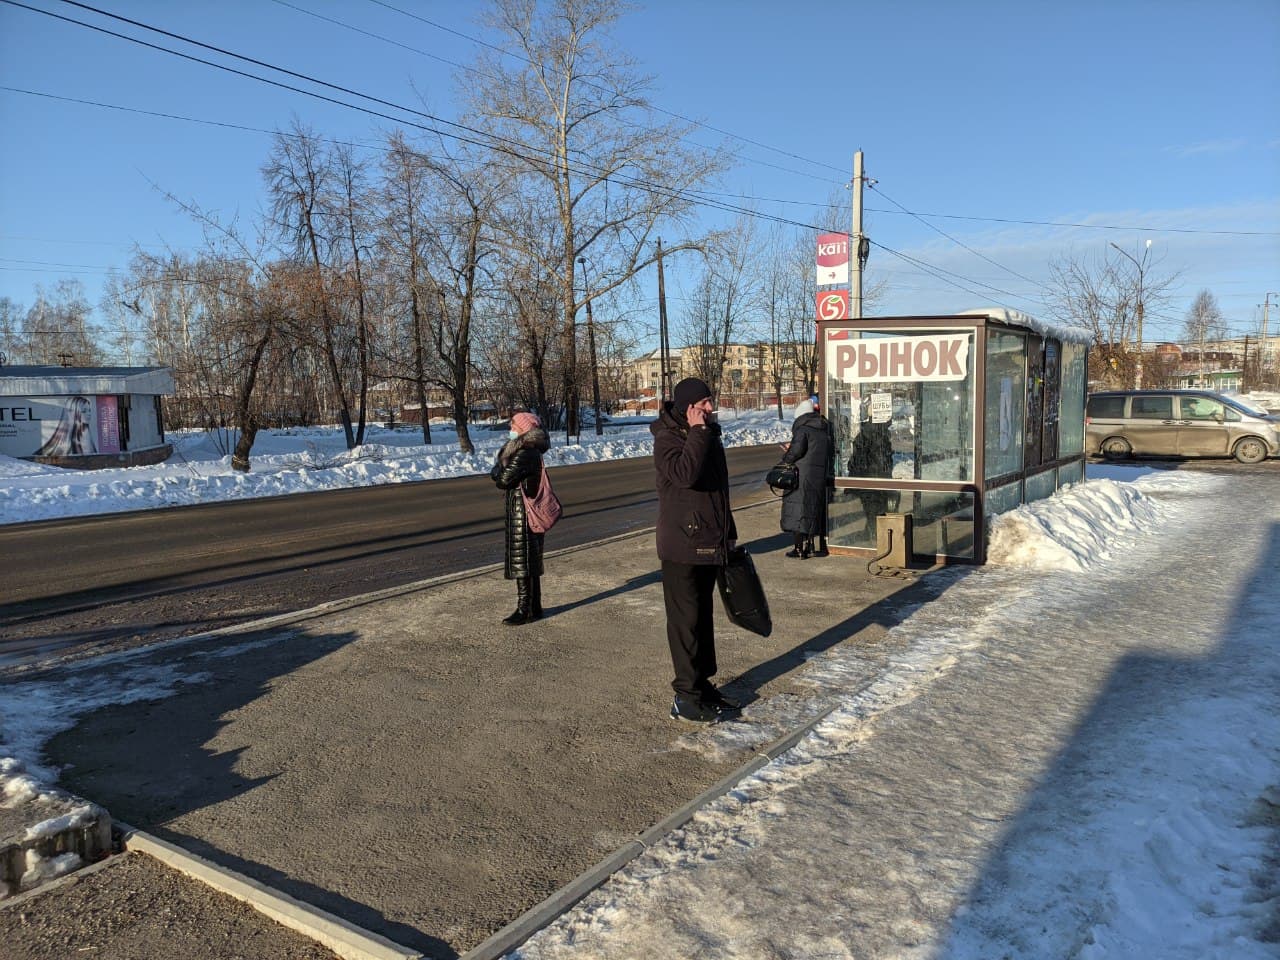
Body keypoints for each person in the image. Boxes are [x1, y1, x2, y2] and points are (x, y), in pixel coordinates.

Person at [651, 377, 739, 723]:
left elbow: (718, 492)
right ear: (689, 407)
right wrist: (699, 433)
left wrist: (728, 533)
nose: (710, 407)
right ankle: (685, 696)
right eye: (704, 403)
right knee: (685, 622)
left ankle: (701, 686)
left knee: (702, 619)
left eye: (710, 401)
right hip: (681, 545)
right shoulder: (667, 439)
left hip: (707, 542)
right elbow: (685, 475)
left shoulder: (707, 436)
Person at [490, 410, 550, 625]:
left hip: (523, 514)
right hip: (525, 512)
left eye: (514, 425)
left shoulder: (525, 453)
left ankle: (524, 609)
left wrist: (500, 465)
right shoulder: (527, 451)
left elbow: (502, 480)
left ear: (524, 429)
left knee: (523, 561)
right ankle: (535, 606)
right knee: (530, 560)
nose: (510, 429)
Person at [779, 397, 833, 558]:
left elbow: (796, 452)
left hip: (800, 476)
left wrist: (786, 456)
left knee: (797, 511)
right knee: (812, 509)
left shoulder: (803, 430)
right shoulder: (823, 429)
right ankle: (811, 545)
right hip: (817, 477)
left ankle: (798, 548)